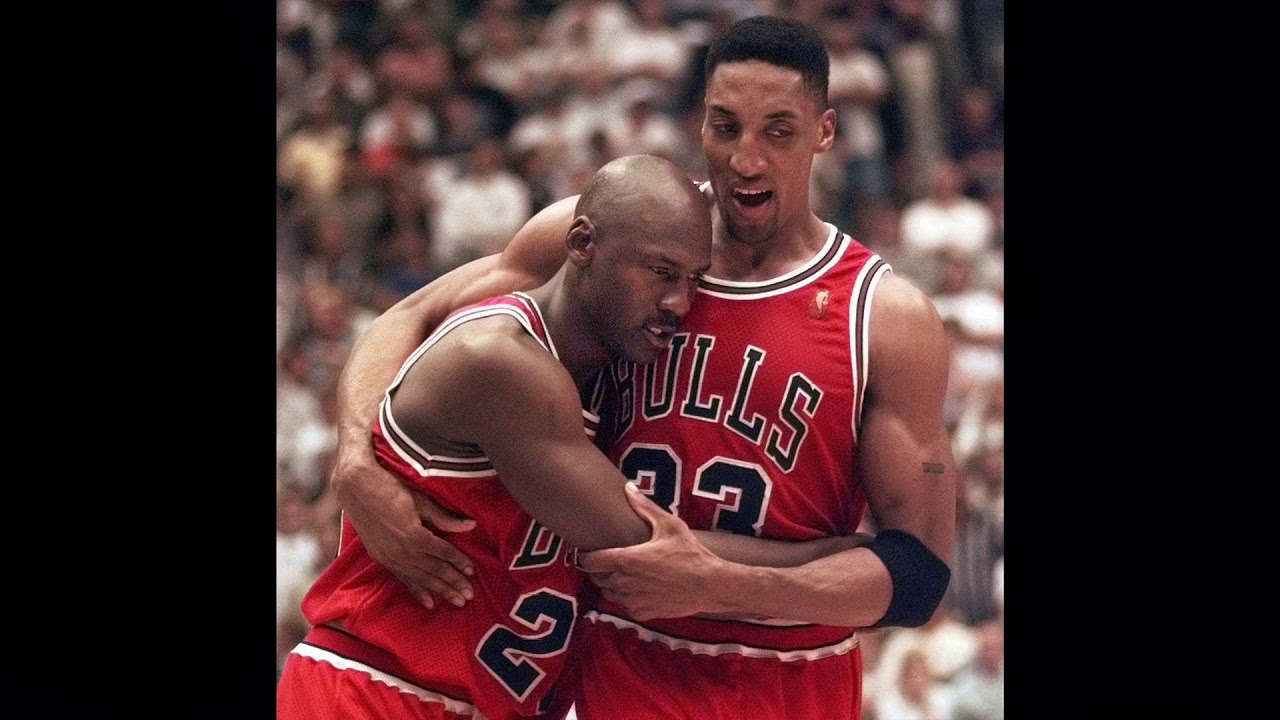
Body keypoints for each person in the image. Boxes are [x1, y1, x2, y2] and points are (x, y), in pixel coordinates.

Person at [327, 16, 957, 720]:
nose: (747, 160)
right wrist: (354, 457)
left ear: (825, 132)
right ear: (699, 124)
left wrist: (721, 583)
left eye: (778, 132)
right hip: (616, 656)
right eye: (725, 127)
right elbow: (411, 316)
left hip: (788, 673)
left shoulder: (885, 317)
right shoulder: (620, 233)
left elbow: (918, 575)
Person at [276, 154, 714, 720]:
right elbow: (410, 312)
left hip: (486, 697)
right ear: (583, 245)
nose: (680, 302)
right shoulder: (505, 355)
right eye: (661, 273)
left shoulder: (653, 274)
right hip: (378, 687)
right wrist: (355, 455)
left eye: (693, 280)